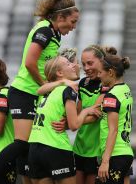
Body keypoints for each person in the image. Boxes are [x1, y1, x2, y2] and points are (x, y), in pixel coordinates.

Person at [0, 0, 79, 184]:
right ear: (60, 17)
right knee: (21, 144)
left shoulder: (53, 33)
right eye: (73, 21)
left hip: (32, 93)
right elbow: (30, 62)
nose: (74, 27)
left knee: (28, 146)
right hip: (24, 92)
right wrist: (47, 85)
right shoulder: (44, 31)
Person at [28, 56, 100, 184]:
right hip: (56, 147)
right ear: (59, 73)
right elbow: (74, 125)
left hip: (34, 148)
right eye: (68, 64)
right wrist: (84, 111)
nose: (73, 65)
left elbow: (39, 90)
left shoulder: (47, 91)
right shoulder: (67, 90)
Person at [73, 45, 117, 184]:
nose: (86, 68)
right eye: (83, 64)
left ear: (101, 61)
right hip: (79, 146)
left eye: (90, 63)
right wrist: (74, 119)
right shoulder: (83, 83)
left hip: (97, 150)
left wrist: (71, 123)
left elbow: (94, 115)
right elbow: (78, 112)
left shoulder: (106, 84)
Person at [97, 54, 133, 184]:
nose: (98, 75)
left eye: (100, 72)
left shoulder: (111, 96)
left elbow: (113, 130)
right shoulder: (125, 89)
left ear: (110, 72)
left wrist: (105, 161)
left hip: (115, 154)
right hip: (124, 151)